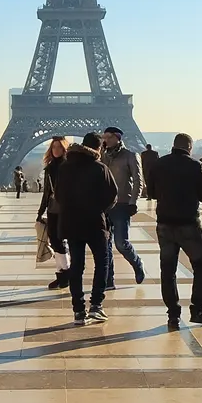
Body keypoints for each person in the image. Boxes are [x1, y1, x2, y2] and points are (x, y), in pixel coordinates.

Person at [148, 133, 202, 329]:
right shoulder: (196, 166)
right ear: (190, 148)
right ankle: (198, 310)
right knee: (200, 266)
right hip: (188, 223)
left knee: (168, 270)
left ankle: (173, 314)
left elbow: (151, 192)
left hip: (165, 223)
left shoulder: (159, 164)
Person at [57, 134, 118, 324]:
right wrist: (99, 209)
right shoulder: (100, 168)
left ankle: (78, 310)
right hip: (94, 222)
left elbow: (58, 195)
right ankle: (96, 306)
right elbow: (112, 195)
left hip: (71, 222)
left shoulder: (65, 168)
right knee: (102, 262)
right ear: (99, 149)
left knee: (77, 265)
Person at [97, 126, 146, 289]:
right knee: (106, 245)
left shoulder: (130, 156)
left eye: (109, 137)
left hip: (122, 204)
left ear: (118, 138)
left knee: (121, 243)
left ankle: (137, 264)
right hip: (104, 205)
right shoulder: (102, 156)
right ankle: (109, 280)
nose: (106, 139)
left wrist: (133, 202)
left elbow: (139, 181)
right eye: (104, 137)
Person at [38, 136, 72, 290]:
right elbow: (46, 191)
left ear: (64, 149)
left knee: (60, 241)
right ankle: (62, 275)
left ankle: (65, 274)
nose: (56, 150)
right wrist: (41, 210)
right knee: (54, 241)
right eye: (53, 147)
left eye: (59, 147)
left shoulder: (69, 166)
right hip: (53, 207)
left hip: (66, 208)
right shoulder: (50, 167)